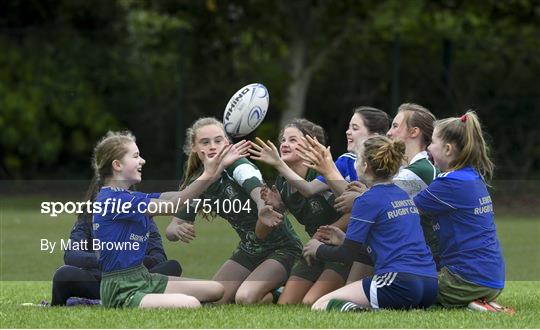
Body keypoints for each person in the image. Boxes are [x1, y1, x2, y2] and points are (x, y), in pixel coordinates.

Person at [90, 130, 249, 308]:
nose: (142, 161)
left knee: (216, 290)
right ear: (117, 165)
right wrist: (208, 174)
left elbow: (181, 196)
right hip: (122, 289)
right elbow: (173, 205)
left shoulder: (130, 196)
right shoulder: (113, 200)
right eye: (136, 156)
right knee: (190, 304)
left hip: (143, 277)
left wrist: (218, 169)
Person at [166, 117, 302, 305]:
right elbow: (172, 229)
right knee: (213, 299)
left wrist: (262, 206)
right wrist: (176, 229)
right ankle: (263, 284)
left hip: (282, 248)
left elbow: (254, 185)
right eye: (205, 142)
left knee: (245, 298)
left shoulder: (238, 165)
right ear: (194, 148)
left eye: (218, 140)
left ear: (227, 144)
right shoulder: (199, 183)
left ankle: (280, 291)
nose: (213, 146)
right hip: (249, 249)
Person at [304, 136, 438, 311]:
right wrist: (345, 239)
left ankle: (366, 313)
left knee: (320, 305)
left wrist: (317, 249)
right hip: (429, 284)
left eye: (358, 159)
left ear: (365, 166)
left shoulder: (366, 200)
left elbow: (346, 255)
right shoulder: (402, 194)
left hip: (399, 282)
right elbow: (388, 242)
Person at [413, 111, 506, 312]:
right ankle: (478, 302)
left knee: (405, 288)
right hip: (491, 279)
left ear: (447, 149)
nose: (428, 147)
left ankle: (468, 299)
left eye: (432, 142)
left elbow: (406, 210)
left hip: (465, 279)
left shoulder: (449, 183)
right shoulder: (471, 176)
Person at [252, 119, 352, 305]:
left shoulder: (321, 177)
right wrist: (276, 207)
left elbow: (353, 213)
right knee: (286, 304)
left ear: (310, 146)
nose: (284, 144)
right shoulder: (283, 182)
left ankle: (351, 289)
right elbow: (261, 233)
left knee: (310, 302)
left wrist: (321, 235)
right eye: (283, 140)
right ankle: (279, 291)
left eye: (293, 140)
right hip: (315, 250)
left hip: (341, 249)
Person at [51, 213, 182, 306]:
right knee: (64, 274)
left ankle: (128, 296)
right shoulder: (88, 218)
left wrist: (127, 259)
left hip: (137, 280)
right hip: (100, 281)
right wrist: (105, 260)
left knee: (172, 266)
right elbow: (71, 254)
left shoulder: (143, 217)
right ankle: (130, 298)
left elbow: (159, 257)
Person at [386, 103, 440, 267]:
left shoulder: (421, 170)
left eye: (395, 126)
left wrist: (329, 171)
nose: (388, 132)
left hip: (426, 261)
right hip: (411, 256)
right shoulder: (407, 168)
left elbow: (374, 201)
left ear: (414, 132)